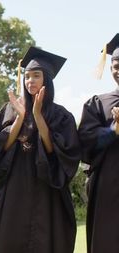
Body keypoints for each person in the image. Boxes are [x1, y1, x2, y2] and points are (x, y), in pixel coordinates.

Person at [0, 47, 81, 253]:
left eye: (36, 76)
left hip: (47, 192)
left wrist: (37, 116)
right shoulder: (10, 109)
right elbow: (0, 150)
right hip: (14, 189)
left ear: (47, 80)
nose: (30, 81)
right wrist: (20, 118)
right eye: (27, 76)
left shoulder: (62, 116)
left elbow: (57, 153)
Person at [78, 33, 119, 253]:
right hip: (109, 188)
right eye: (116, 65)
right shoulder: (98, 104)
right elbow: (85, 141)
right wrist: (114, 130)